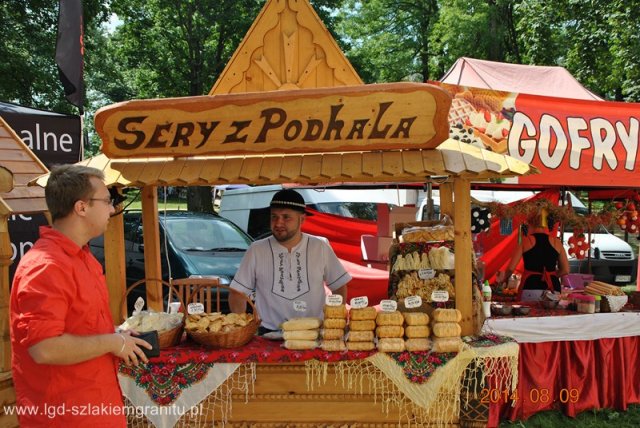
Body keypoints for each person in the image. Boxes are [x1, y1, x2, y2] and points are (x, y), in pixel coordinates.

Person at [10, 165, 151, 427]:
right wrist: (112, 342)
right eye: (107, 201)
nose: (112, 209)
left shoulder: (82, 257)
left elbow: (81, 328)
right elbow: (45, 348)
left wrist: (117, 334)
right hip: (65, 416)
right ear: (81, 207)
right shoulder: (46, 266)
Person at [229, 189, 351, 332]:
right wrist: (241, 329)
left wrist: (333, 322)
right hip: (268, 334)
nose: (278, 223)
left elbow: (339, 286)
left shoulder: (320, 247)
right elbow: (237, 293)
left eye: (286, 217)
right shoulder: (256, 249)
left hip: (313, 334)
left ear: (302, 219)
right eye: (274, 217)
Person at [496, 209, 569, 300]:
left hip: (530, 287)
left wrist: (504, 279)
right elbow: (565, 270)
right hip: (553, 289)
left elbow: (511, 268)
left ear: (530, 223)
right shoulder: (557, 242)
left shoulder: (526, 241)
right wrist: (551, 275)